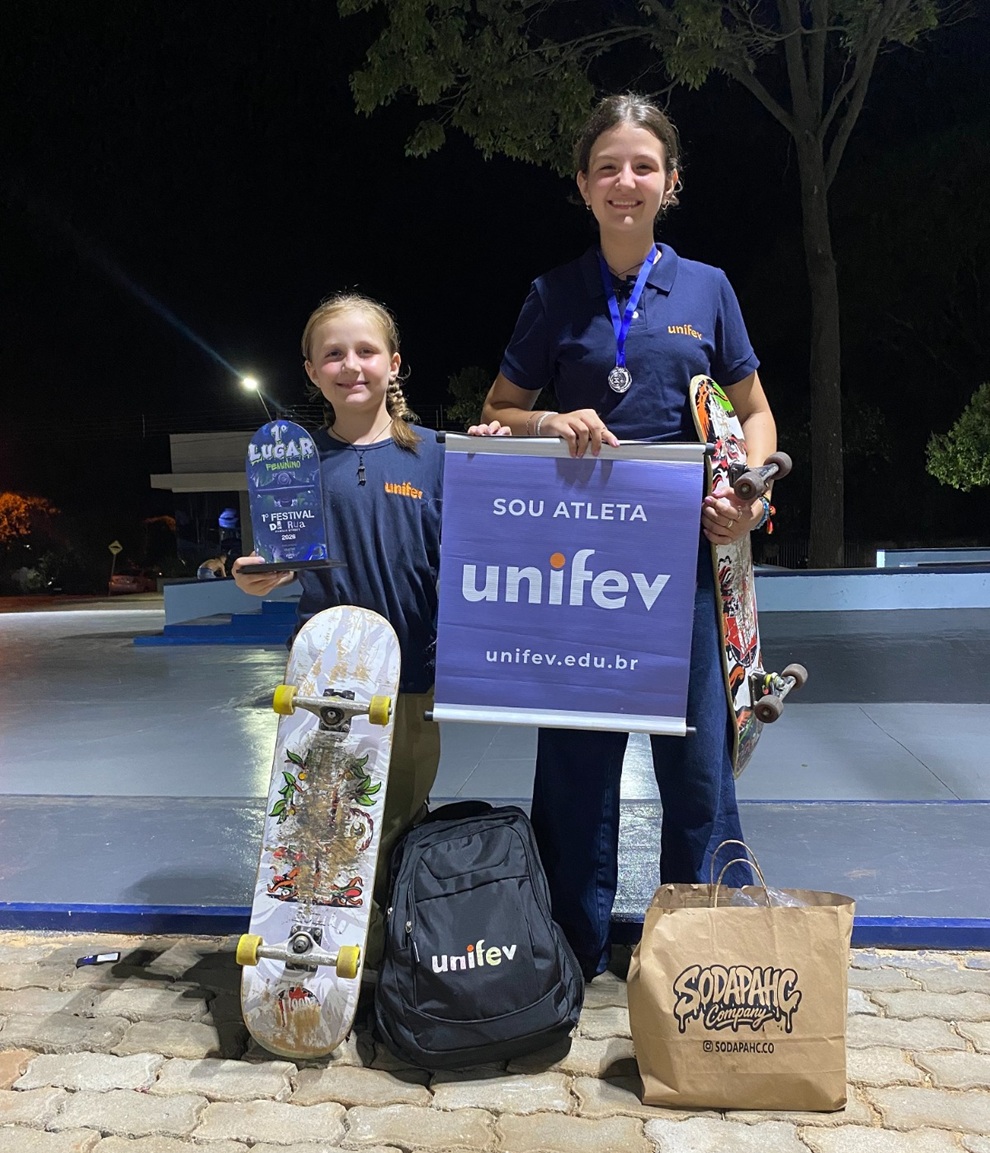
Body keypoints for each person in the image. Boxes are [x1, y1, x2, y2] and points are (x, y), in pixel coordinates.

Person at [479, 93, 778, 980]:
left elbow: (755, 414)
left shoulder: (708, 289)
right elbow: (499, 410)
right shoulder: (552, 294)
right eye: (607, 166)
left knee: (697, 773)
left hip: (686, 569)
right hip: (582, 575)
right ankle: (569, 952)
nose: (625, 181)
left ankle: (696, 958)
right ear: (583, 184)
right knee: (574, 770)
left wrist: (747, 495)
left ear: (670, 183)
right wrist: (550, 421)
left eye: (643, 166)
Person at [233, 292, 504, 964]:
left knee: (398, 816)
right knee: (322, 824)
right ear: (311, 371)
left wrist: (501, 461)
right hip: (321, 683)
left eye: (365, 351)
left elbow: (493, 544)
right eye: (333, 354)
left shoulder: (441, 456)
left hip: (410, 676)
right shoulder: (293, 466)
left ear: (394, 363)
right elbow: (279, 558)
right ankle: (332, 960)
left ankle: (394, 959)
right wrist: (255, 575)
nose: (351, 365)